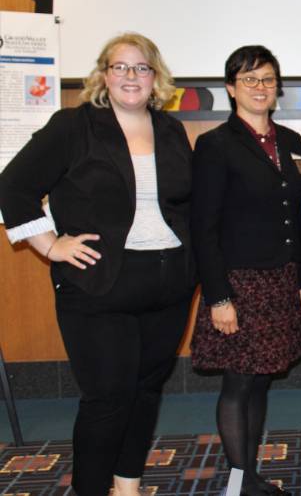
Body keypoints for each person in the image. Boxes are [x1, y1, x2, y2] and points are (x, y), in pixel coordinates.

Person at [0, 33, 195, 496]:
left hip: (169, 284)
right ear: (104, 75)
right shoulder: (73, 126)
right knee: (107, 399)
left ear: (156, 77)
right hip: (98, 288)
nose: (131, 76)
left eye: (141, 67)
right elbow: (13, 187)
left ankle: (127, 486)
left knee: (147, 390)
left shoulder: (170, 130)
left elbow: (185, 204)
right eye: (120, 66)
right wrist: (50, 246)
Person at [188, 46, 301, 496]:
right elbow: (203, 228)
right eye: (249, 79)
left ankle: (249, 474)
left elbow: (297, 220)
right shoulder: (215, 146)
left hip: (280, 280)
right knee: (239, 382)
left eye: (267, 79)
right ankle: (238, 482)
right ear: (230, 88)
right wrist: (218, 297)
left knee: (262, 380)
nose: (260, 88)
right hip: (238, 284)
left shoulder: (292, 142)